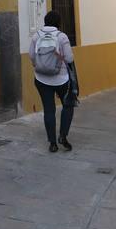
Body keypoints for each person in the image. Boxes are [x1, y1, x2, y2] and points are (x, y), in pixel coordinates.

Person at [30, 11, 78, 153]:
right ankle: (63, 136)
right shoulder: (62, 37)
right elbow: (69, 59)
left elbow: (32, 56)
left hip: (41, 78)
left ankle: (52, 143)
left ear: (45, 21)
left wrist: (39, 65)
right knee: (68, 105)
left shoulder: (36, 36)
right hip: (61, 79)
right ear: (58, 22)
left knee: (48, 109)